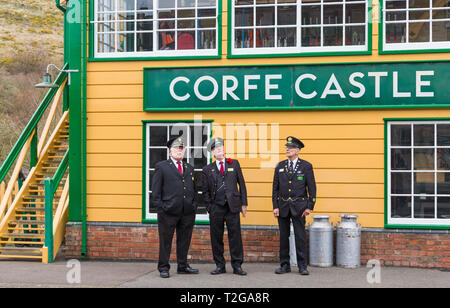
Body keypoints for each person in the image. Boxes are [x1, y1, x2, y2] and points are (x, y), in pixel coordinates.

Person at [151, 135, 199, 278]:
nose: (179, 151)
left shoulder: (189, 167)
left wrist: (193, 205)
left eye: (181, 148)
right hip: (168, 212)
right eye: (176, 148)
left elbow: (194, 189)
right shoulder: (162, 167)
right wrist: (162, 207)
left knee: (184, 241)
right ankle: (163, 267)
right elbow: (156, 191)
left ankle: (182, 266)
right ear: (170, 151)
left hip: (187, 212)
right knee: (166, 241)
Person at [202, 137, 248, 276]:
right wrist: (209, 206)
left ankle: (237, 265)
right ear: (213, 153)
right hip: (216, 207)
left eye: (221, 147)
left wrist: (244, 204)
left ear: (224, 150)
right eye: (216, 148)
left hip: (233, 206)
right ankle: (220, 265)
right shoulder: (207, 169)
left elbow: (242, 185)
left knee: (235, 237)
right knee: (216, 237)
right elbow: (205, 191)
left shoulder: (234, 163)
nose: (219, 149)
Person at [272, 136, 317, 276]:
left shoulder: (306, 166)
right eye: (287, 147)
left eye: (290, 148)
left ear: (297, 151)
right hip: (283, 206)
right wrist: (275, 206)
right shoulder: (280, 166)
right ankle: (284, 265)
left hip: (300, 207)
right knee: (284, 237)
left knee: (300, 237)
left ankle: (302, 266)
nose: (287, 149)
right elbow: (275, 189)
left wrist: (310, 206)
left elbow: (312, 188)